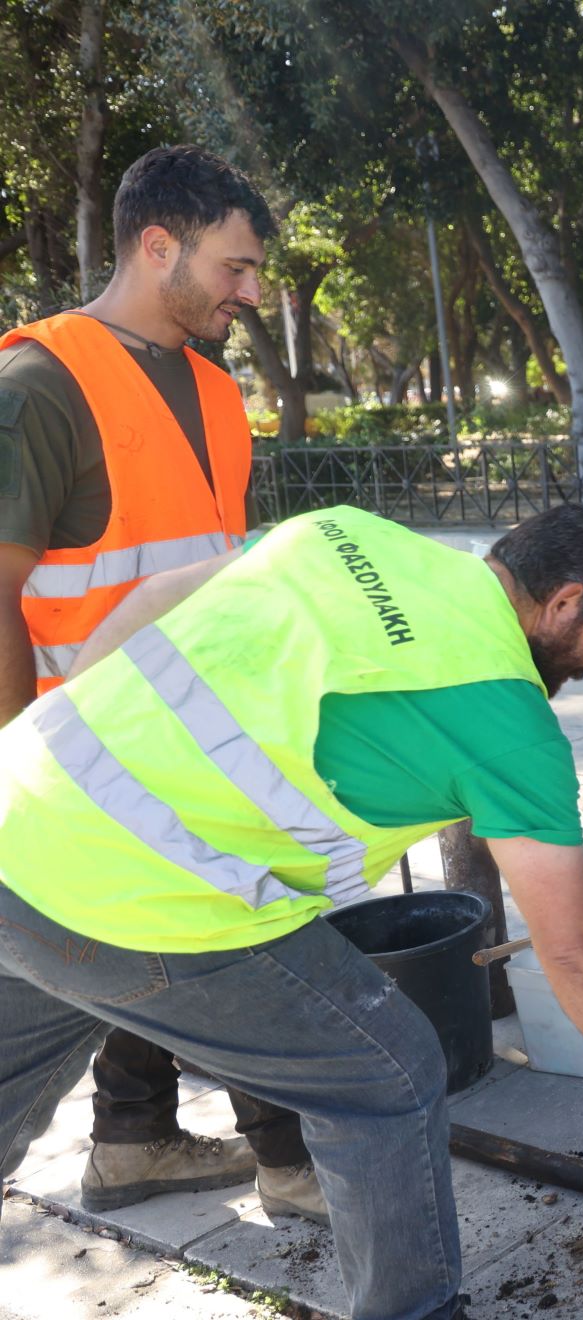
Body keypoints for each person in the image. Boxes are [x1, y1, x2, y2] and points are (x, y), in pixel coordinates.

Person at [0, 502, 583, 1320]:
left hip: (17, 810)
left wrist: (69, 758)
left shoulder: (347, 533)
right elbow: (576, 943)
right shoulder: (506, 719)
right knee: (386, 1072)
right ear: (562, 602)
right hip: (149, 898)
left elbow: (149, 601)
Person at [0, 145, 327, 1221]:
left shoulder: (214, 391)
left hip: (196, 737)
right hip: (81, 752)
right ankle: (292, 1159)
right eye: (233, 267)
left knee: (172, 928)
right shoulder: (39, 386)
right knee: (234, 926)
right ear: (157, 246)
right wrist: (19, 766)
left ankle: (135, 1143)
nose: (249, 290)